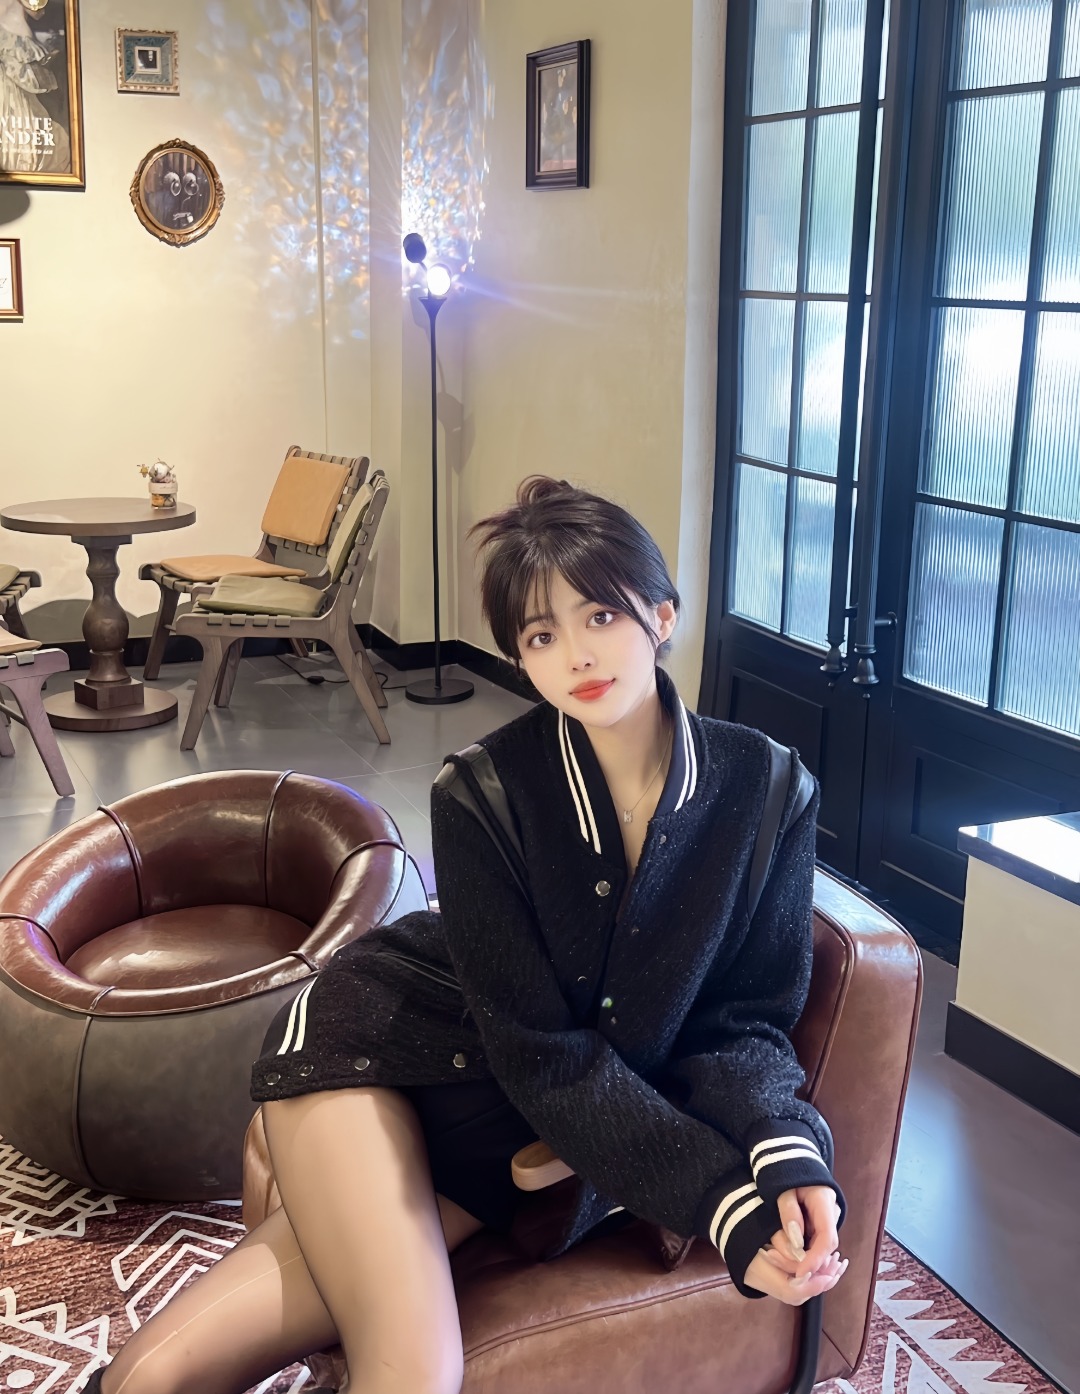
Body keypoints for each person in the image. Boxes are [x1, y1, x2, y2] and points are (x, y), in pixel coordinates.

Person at [90, 477, 848, 1394]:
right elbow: (545, 1054)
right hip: (380, 1053)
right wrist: (721, 1201)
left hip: (509, 1129)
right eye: (540, 635)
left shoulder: (768, 790)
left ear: (662, 616)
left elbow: (746, 1019)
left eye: (601, 615)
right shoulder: (483, 790)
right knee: (417, 1372)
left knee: (166, 1373)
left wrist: (784, 1148)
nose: (577, 654)